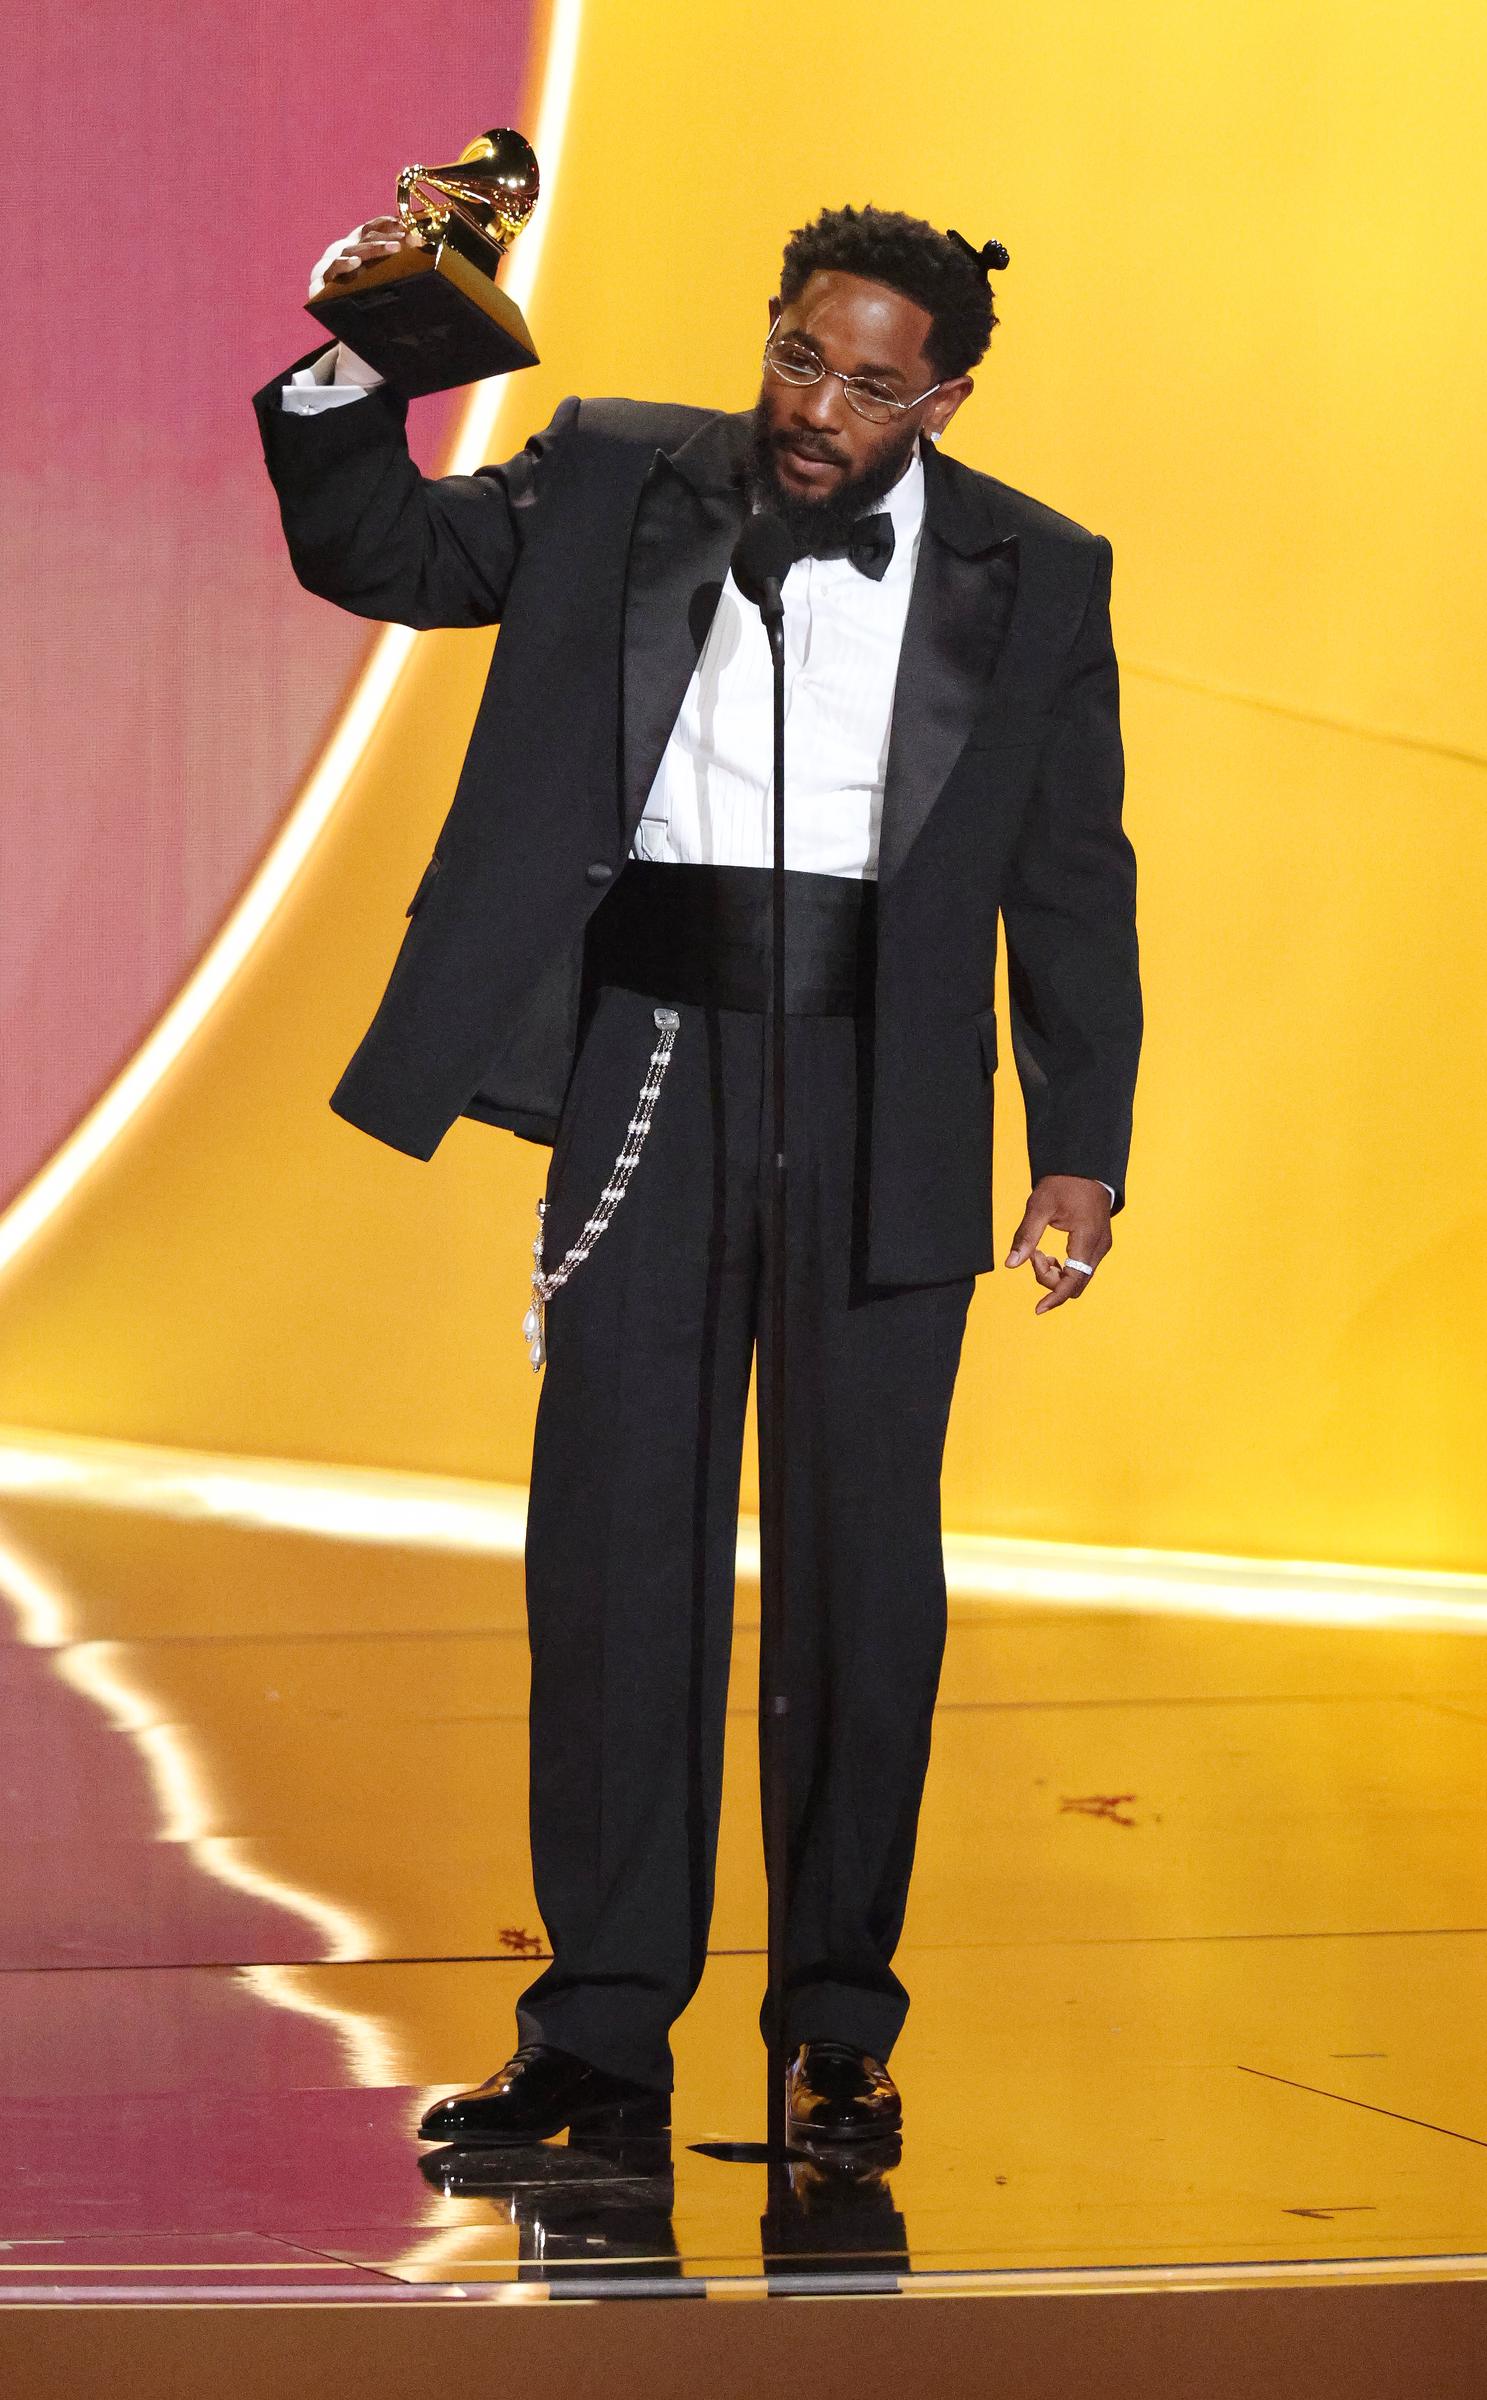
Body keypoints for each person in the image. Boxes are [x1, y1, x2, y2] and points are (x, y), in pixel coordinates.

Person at [252, 202, 1142, 2152]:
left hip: (890, 1096)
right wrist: (369, 344)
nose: (821, 406)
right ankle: (597, 2031)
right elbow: (379, 546)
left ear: (948, 395)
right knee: (613, 1558)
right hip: (648, 1061)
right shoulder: (611, 471)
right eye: (801, 357)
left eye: (873, 383)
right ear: (773, 332)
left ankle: (836, 2025)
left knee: (853, 1581)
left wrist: (1082, 1147)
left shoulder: (1036, 572)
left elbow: (1073, 877)